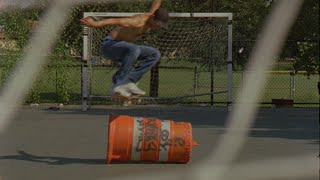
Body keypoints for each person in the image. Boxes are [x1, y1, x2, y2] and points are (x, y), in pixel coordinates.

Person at [80, 0, 169, 98]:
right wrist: (95, 24)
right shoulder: (137, 22)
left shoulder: (153, 14)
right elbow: (115, 21)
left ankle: (130, 80)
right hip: (110, 46)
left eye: (160, 26)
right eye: (157, 24)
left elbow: (156, 3)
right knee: (135, 49)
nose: (157, 27)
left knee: (155, 54)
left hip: (125, 49)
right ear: (152, 18)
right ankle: (119, 83)